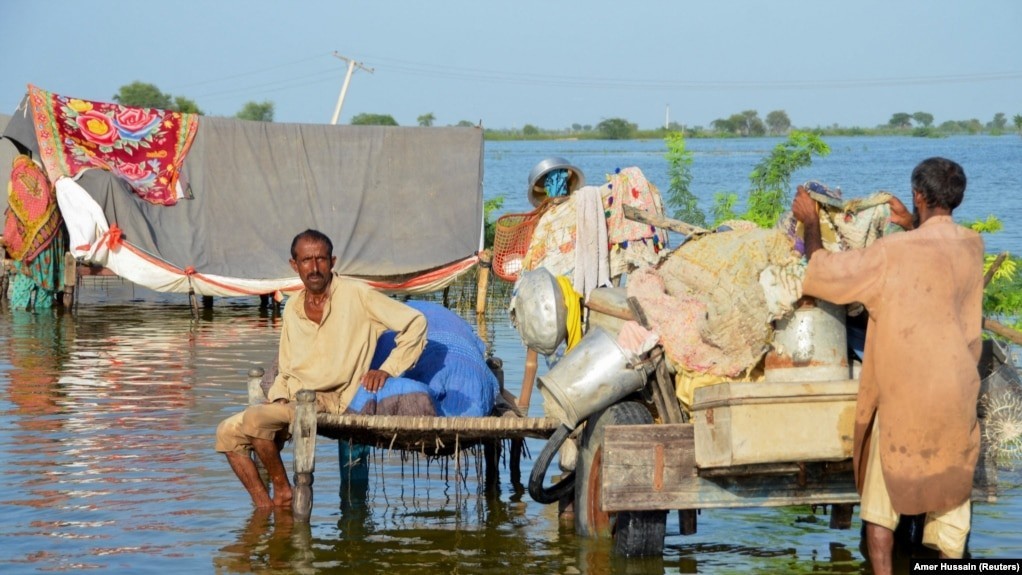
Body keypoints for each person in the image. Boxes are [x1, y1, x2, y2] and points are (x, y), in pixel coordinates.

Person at [792, 157, 984, 573]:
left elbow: (823, 271)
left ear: (918, 196)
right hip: (957, 394)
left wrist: (810, 222)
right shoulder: (972, 246)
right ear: (956, 199)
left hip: (905, 398)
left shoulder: (891, 252)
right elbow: (935, 264)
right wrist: (912, 225)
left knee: (880, 511)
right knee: (951, 513)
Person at [215, 229, 427, 508]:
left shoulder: (357, 295)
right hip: (292, 399)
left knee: (255, 421)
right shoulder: (292, 307)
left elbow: (415, 323)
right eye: (306, 261)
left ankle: (283, 492)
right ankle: (264, 507)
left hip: (331, 399)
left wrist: (386, 369)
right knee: (225, 433)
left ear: (333, 261)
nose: (314, 268)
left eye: (321, 259)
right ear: (295, 265)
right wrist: (278, 395)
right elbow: (287, 364)